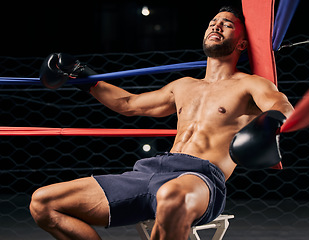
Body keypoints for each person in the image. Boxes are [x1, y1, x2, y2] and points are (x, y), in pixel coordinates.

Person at [30, 6, 294, 240]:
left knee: (171, 196)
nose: (216, 25)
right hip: (150, 172)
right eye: (213, 21)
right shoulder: (184, 86)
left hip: (200, 178)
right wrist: (82, 75)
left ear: (242, 44)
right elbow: (128, 104)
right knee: (43, 203)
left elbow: (281, 105)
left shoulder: (250, 84)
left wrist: (271, 123)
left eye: (227, 24)